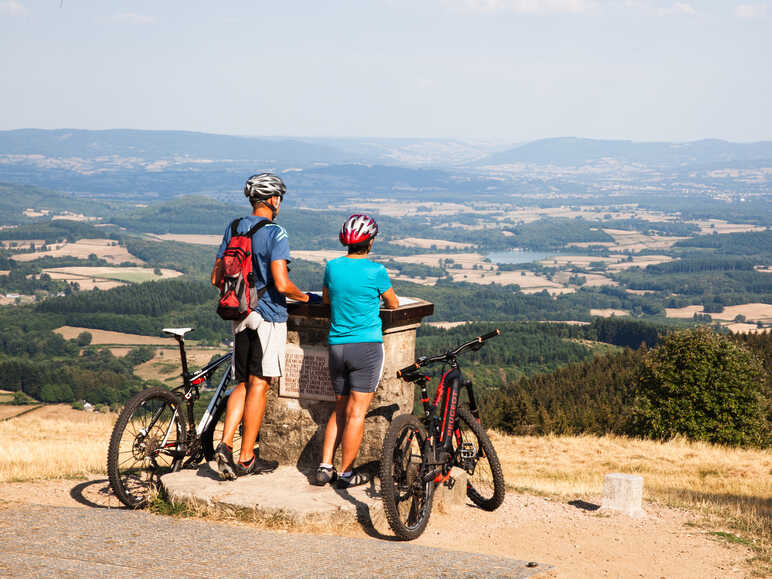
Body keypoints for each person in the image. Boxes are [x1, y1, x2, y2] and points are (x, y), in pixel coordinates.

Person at [211, 173, 317, 480]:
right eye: (279, 198)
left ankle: (224, 444)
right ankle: (246, 458)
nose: (279, 203)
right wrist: (305, 297)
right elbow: (282, 283)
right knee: (260, 384)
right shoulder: (276, 232)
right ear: (273, 200)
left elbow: (216, 278)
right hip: (268, 316)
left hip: (240, 315)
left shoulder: (234, 227)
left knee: (242, 383)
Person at [312, 214, 399, 488]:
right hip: (367, 348)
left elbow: (326, 298)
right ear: (370, 242)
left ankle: (325, 467)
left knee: (339, 409)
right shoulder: (377, 272)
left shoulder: (333, 267)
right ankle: (347, 474)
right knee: (356, 413)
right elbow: (393, 304)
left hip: (337, 347)